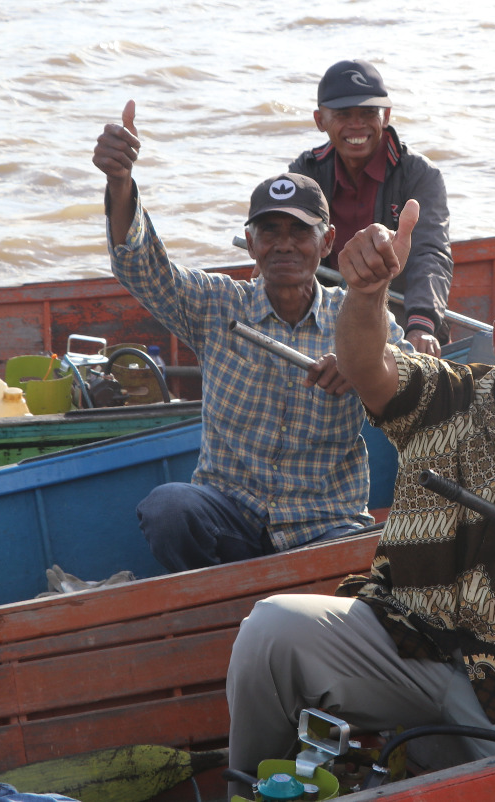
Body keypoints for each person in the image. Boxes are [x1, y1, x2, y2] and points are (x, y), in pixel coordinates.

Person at [224, 200, 495, 792]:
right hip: (401, 640)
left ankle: (440, 758)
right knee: (270, 629)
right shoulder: (441, 392)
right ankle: (249, 790)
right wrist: (368, 292)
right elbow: (365, 364)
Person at [91, 100, 411, 573]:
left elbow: (417, 378)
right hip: (230, 518)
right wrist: (120, 181)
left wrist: (364, 365)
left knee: (379, 561)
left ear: (326, 242)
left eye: (299, 232)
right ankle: (213, 597)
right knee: (169, 508)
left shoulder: (357, 316)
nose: (284, 244)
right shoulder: (217, 303)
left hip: (325, 524)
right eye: (270, 231)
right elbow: (141, 267)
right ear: (251, 241)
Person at [289, 58, 453, 357]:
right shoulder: (305, 172)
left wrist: (422, 324)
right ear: (320, 120)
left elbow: (430, 253)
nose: (357, 124)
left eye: (368, 113)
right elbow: (289, 246)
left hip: (399, 315)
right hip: (326, 316)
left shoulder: (420, 174)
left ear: (386, 116)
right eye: (343, 114)